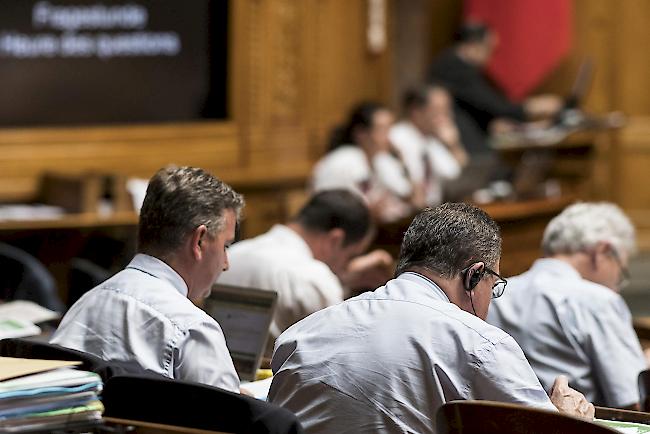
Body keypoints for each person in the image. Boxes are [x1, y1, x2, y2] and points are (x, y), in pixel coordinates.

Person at [269, 203, 593, 433]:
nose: (489, 303)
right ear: (474, 275)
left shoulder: (300, 334)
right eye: (493, 287)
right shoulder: (479, 344)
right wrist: (568, 421)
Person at [51, 166, 243, 392]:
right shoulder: (192, 329)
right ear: (199, 241)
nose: (226, 263)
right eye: (225, 246)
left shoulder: (83, 306)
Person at [487, 202, 647, 409]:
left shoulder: (496, 295)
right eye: (621, 272)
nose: (618, 285)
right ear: (602, 252)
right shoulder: (598, 300)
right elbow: (632, 401)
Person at [218, 189, 393, 349]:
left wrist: (343, 280)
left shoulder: (233, 254)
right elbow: (338, 354)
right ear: (335, 240)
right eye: (351, 256)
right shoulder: (313, 279)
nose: (348, 264)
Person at [428, 22, 562, 155]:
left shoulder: (459, 64)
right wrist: (533, 107)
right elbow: (494, 106)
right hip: (463, 146)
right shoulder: (454, 68)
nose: (491, 57)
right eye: (490, 49)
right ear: (473, 46)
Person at [311, 101, 415, 222]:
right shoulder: (343, 161)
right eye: (382, 129)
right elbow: (327, 209)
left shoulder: (379, 161)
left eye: (390, 128)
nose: (389, 137)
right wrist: (370, 211)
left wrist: (401, 160)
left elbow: (409, 196)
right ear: (361, 133)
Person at [389, 84, 468, 206]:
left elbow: (453, 173)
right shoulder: (396, 137)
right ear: (416, 112)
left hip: (430, 213)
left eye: (447, 109)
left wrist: (454, 145)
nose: (447, 116)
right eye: (439, 110)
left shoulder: (432, 140)